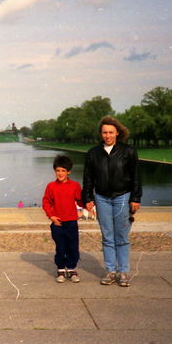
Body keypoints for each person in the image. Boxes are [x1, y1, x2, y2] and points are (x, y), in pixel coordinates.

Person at [82, 116, 141, 287]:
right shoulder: (93, 153)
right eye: (104, 132)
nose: (107, 135)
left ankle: (122, 272)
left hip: (123, 196)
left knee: (121, 236)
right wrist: (87, 198)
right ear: (101, 134)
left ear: (117, 133)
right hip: (102, 198)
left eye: (111, 132)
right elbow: (88, 179)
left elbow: (136, 176)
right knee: (107, 237)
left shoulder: (128, 151)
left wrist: (136, 198)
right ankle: (110, 271)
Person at [42, 155, 83, 283]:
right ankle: (60, 269)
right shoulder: (51, 186)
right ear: (55, 171)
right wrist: (51, 216)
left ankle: (71, 269)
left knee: (73, 246)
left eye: (63, 171)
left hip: (71, 221)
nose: (60, 173)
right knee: (60, 247)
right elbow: (46, 202)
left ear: (69, 171)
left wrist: (84, 208)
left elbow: (80, 200)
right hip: (57, 222)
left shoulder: (75, 185)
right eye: (58, 170)